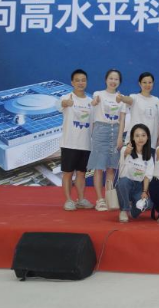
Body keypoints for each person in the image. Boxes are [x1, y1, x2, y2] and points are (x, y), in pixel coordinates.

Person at [88, 69, 126, 212]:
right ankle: (100, 199)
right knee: (99, 167)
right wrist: (94, 102)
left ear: (119, 82)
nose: (113, 81)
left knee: (111, 168)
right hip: (100, 130)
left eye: (116, 79)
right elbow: (93, 104)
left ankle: (109, 198)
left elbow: (122, 120)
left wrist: (120, 138)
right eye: (111, 78)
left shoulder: (121, 98)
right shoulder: (98, 94)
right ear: (106, 79)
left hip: (115, 131)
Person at [60, 69, 94, 211]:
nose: (81, 83)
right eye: (77, 80)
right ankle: (68, 200)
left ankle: (81, 199)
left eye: (83, 80)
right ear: (72, 82)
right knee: (68, 173)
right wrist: (65, 103)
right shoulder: (66, 97)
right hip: (69, 143)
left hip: (85, 144)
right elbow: (59, 105)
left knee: (81, 173)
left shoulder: (91, 101)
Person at [115, 124, 154, 222]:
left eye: (143, 135)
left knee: (149, 203)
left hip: (139, 187)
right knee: (123, 182)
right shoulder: (126, 150)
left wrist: (144, 191)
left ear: (147, 137)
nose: (140, 138)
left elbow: (147, 177)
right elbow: (123, 157)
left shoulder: (149, 156)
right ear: (132, 137)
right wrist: (126, 153)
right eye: (137, 135)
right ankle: (124, 210)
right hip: (126, 184)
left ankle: (133, 212)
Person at [117, 72, 159, 151]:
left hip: (151, 143)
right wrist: (122, 98)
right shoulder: (134, 97)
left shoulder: (156, 100)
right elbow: (128, 100)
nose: (147, 85)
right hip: (134, 142)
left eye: (150, 82)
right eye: (144, 82)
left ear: (153, 83)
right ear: (139, 83)